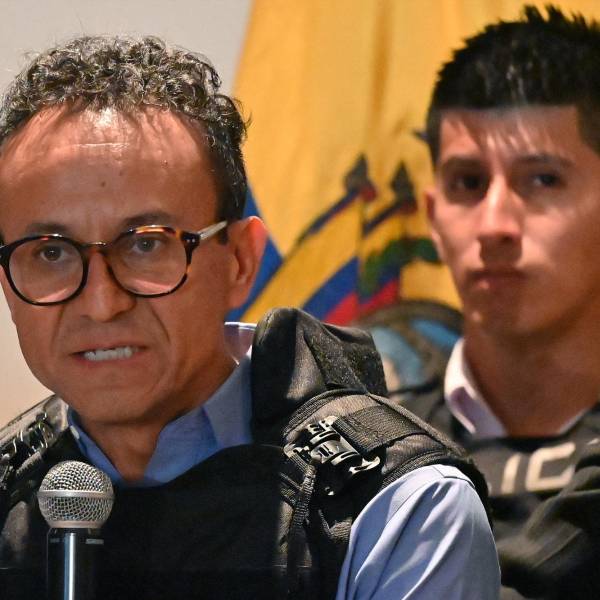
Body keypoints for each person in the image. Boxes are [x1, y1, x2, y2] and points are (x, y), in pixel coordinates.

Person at [0, 36, 499, 599]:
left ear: (239, 261)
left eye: (145, 244)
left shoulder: (398, 509)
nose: (100, 302)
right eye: (50, 253)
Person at [388, 5, 600, 599]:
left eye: (542, 179)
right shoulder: (366, 459)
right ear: (433, 217)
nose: (494, 226)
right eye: (468, 183)